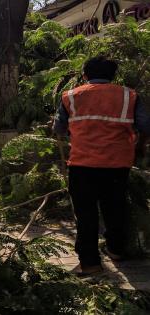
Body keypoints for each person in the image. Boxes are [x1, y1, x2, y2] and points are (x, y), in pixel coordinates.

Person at [53, 56, 150, 276]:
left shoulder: (71, 96)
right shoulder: (129, 95)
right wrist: (140, 146)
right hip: (118, 164)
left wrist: (77, 131)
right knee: (115, 207)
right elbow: (145, 125)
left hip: (82, 164)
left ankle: (90, 263)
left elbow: (58, 128)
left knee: (85, 214)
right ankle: (116, 250)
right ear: (113, 76)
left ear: (85, 75)